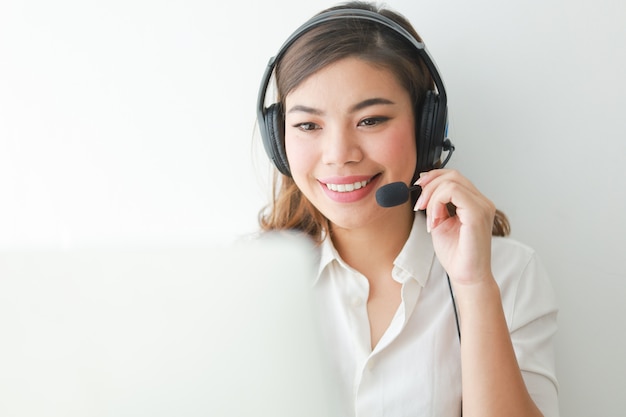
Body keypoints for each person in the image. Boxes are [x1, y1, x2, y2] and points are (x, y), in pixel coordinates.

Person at [256, 2, 559, 416]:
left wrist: (472, 287)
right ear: (279, 141)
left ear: (426, 128)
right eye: (309, 125)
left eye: (371, 120)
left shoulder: (508, 274)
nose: (339, 154)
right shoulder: (252, 278)